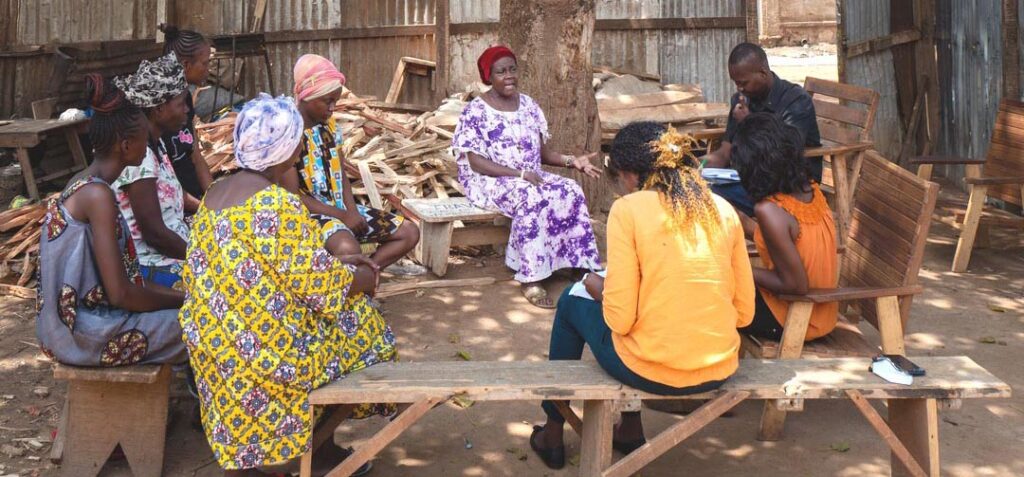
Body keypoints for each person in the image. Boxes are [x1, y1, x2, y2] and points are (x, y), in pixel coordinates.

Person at [179, 94, 395, 476]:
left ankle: (297, 454)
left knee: (332, 318)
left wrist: (337, 263)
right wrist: (362, 276)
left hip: (213, 345)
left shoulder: (214, 197)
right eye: (296, 141)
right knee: (363, 324)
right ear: (281, 149)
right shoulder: (276, 204)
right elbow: (322, 290)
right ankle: (318, 449)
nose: (299, 150)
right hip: (265, 356)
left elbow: (267, 271)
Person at [529, 122, 755, 469]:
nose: (622, 187)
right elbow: (744, 315)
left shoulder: (630, 210)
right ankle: (630, 430)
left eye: (619, 179)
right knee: (645, 326)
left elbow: (620, 319)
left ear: (632, 174)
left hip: (652, 370)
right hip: (719, 365)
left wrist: (597, 286)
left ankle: (553, 430)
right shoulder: (722, 209)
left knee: (571, 304)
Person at [36, 74, 187, 367]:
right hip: (82, 335)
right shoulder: (98, 196)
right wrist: (187, 300)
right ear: (126, 145)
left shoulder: (83, 182)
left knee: (194, 313)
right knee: (205, 325)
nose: (148, 147)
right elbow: (121, 294)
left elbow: (126, 286)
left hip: (68, 328)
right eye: (145, 139)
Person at [452, 45, 602, 308]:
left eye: (512, 69)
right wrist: (519, 174)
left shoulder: (529, 105)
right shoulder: (476, 111)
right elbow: (476, 163)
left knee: (570, 190)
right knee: (529, 196)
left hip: (530, 174)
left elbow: (543, 153)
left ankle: (576, 262)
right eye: (501, 72)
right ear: (489, 76)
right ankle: (531, 278)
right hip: (490, 180)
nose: (509, 76)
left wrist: (571, 162)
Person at [282, 54, 420, 271]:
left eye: (335, 101)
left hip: (341, 211)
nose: (332, 108)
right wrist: (342, 216)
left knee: (409, 233)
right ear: (307, 97)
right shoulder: (288, 133)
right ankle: (352, 286)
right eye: (327, 101)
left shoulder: (328, 127)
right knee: (348, 248)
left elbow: (340, 174)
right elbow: (293, 199)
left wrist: (351, 211)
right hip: (310, 217)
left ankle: (365, 276)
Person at [731, 113, 838, 341]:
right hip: (823, 313)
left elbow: (795, 285)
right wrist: (740, 219)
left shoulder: (768, 210)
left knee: (705, 292)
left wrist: (735, 270)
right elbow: (790, 239)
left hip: (796, 316)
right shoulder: (808, 187)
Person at [704, 42, 822, 217]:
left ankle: (757, 235)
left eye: (743, 82)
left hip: (787, 185)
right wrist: (698, 167)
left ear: (763, 73)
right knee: (695, 190)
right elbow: (725, 152)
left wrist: (750, 121)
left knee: (711, 200)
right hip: (750, 180)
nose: (740, 88)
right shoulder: (741, 100)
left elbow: (784, 154)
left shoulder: (796, 101)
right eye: (736, 83)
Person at [112, 53, 191, 288]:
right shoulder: (140, 157)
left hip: (168, 254)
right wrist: (201, 259)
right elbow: (154, 232)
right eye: (181, 103)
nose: (187, 109)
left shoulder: (157, 144)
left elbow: (170, 193)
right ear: (158, 109)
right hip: (149, 266)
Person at [159, 23, 214, 201]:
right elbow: (164, 186)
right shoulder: (160, 107)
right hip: (174, 204)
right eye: (205, 63)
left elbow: (195, 154)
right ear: (185, 65)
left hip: (194, 197)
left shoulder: (186, 99)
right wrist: (202, 208)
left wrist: (213, 197)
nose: (208, 69)